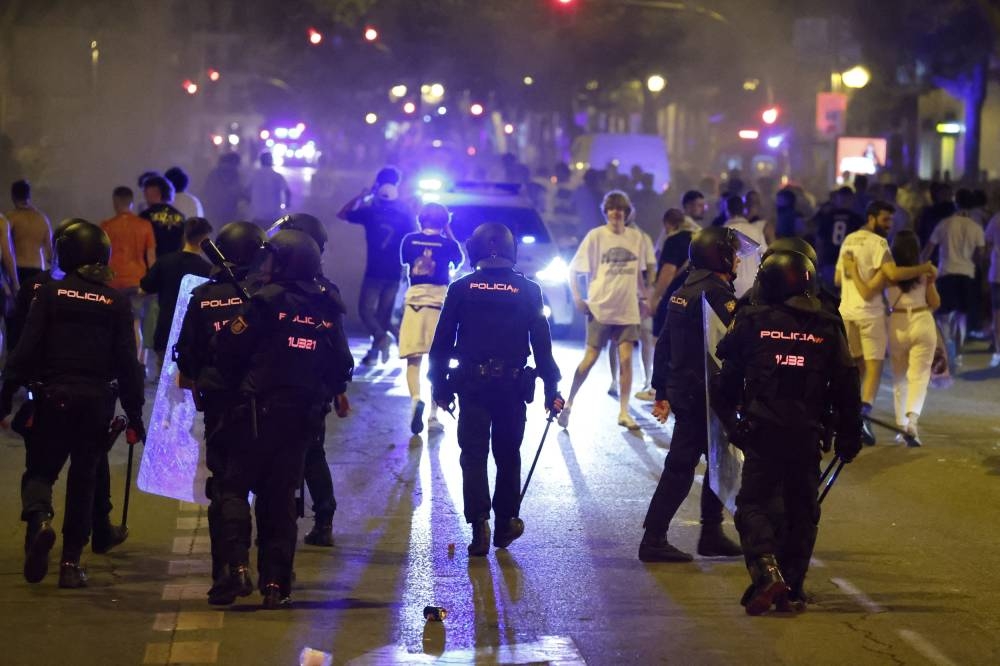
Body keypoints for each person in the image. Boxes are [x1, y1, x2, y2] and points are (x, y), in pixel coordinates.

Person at [712, 251, 862, 615]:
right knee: (802, 511)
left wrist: (733, 425)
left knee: (752, 505)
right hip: (808, 434)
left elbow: (725, 381)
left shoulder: (751, 320)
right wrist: (849, 433)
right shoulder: (828, 324)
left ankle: (766, 571)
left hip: (762, 432)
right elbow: (846, 383)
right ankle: (792, 589)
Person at [212, 230, 353, 609]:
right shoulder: (327, 307)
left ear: (286, 262)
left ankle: (239, 567)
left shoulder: (264, 301)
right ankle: (275, 584)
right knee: (281, 500)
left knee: (234, 489)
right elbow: (342, 367)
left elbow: (228, 349)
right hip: (302, 420)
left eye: (273, 259)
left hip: (257, 413)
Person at [0, 221, 145, 588]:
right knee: (84, 480)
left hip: (53, 397)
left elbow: (25, 349)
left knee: (40, 471)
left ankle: (40, 519)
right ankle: (70, 564)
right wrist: (134, 412)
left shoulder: (49, 294)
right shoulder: (116, 302)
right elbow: (129, 363)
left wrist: (5, 395)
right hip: (96, 402)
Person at [428, 222, 563, 556]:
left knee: (473, 456)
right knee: (508, 456)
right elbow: (542, 345)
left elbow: (442, 343)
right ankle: (505, 522)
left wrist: (439, 386)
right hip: (513, 388)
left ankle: (479, 525)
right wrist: (552, 388)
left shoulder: (461, 288)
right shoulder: (529, 290)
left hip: (472, 387)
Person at [640, 226, 747, 563]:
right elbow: (733, 347)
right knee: (681, 467)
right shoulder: (716, 293)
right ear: (720, 256)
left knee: (718, 462)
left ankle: (711, 533)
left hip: (687, 390)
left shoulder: (685, 288)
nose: (739, 259)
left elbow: (664, 344)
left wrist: (661, 388)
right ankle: (654, 539)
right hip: (705, 393)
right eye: (734, 253)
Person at [174, 221, 266, 593]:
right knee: (273, 491)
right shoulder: (266, 295)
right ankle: (273, 577)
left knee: (227, 488)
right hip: (264, 405)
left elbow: (188, 355)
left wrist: (198, 381)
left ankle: (230, 570)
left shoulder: (204, 297)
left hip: (220, 405)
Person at [265, 213, 346, 548]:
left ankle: (286, 519)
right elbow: (339, 350)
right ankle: (322, 517)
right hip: (313, 387)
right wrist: (338, 388)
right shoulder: (328, 291)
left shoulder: (270, 291)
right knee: (312, 451)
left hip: (278, 385)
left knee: (292, 452)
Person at [837, 201, 935, 445]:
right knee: (874, 369)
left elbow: (838, 278)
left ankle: (856, 416)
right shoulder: (879, 244)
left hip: (847, 312)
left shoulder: (848, 240)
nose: (889, 225)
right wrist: (923, 268)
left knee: (857, 369)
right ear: (871, 218)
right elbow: (889, 276)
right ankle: (866, 415)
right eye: (885, 220)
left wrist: (852, 269)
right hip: (871, 315)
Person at [558, 190, 655, 431]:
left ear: (626, 212)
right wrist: (579, 298)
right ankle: (569, 403)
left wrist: (645, 299)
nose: (615, 213)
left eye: (620, 209)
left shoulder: (637, 238)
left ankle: (623, 411)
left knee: (626, 360)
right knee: (589, 360)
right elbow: (574, 270)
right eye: (611, 209)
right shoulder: (596, 236)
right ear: (605, 212)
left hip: (628, 309)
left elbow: (637, 276)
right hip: (601, 307)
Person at [337, 166, 416, 365]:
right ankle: (381, 346)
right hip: (394, 273)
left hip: (373, 272)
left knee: (365, 311)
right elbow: (414, 236)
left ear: (378, 185)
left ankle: (380, 340)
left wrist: (363, 195)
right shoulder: (405, 212)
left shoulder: (371, 211)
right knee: (383, 316)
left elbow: (343, 214)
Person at [398, 202, 463, 434]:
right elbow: (459, 261)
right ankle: (434, 416)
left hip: (415, 301)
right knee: (438, 360)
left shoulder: (409, 240)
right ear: (445, 221)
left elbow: (406, 262)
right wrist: (448, 232)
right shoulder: (449, 243)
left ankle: (416, 399)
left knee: (413, 360)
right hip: (439, 304)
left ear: (421, 219)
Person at [922, 189, 986, 369]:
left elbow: (929, 248)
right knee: (962, 317)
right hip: (967, 274)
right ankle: (957, 354)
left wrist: (919, 266)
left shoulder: (945, 224)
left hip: (946, 273)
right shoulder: (976, 227)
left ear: (955, 202)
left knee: (943, 316)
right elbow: (980, 255)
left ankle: (948, 343)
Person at [139, 217, 213, 368]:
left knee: (163, 382)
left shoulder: (165, 261)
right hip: (194, 338)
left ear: (185, 235)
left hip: (165, 332)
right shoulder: (208, 270)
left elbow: (145, 287)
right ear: (205, 239)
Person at [101, 186, 156, 357]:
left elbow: (101, 257)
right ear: (131, 202)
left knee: (112, 325)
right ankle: (138, 365)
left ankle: (114, 366)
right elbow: (151, 257)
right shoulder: (145, 225)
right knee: (136, 323)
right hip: (137, 281)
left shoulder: (106, 226)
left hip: (112, 283)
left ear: (115, 202)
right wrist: (152, 282)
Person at [813, 187, 864, 291]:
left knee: (829, 296)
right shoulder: (857, 219)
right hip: (849, 264)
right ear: (852, 199)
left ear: (837, 199)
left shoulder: (828, 217)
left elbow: (820, 240)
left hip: (829, 261)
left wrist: (819, 260)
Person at [7, 179, 52, 288]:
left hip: (18, 271)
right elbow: (50, 254)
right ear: (29, 196)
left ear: (13, 196)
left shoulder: (10, 218)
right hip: (37, 270)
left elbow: (4, 249)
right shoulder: (42, 219)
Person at [723, 195, 767, 297]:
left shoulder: (723, 232)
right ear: (743, 210)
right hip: (752, 285)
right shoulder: (756, 231)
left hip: (731, 286)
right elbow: (765, 256)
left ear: (727, 211)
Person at [140, 175, 186, 258]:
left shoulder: (144, 216)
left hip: (154, 265)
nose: (145, 197)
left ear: (154, 192)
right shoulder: (181, 216)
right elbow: (184, 244)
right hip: (175, 264)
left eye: (146, 193)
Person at [248, 152, 291, 227]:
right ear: (271, 161)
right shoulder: (277, 176)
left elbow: (246, 190)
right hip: (274, 215)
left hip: (258, 214)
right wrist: (287, 204)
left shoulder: (254, 175)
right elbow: (287, 191)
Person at [203, 153, 244, 224]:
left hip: (215, 207)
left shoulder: (214, 172)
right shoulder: (234, 173)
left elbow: (207, 189)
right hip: (229, 208)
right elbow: (236, 189)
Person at [986, 210, 1000, 367]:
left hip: (997, 273)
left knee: (997, 317)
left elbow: (987, 242)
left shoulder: (996, 218)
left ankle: (998, 352)